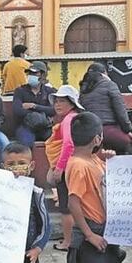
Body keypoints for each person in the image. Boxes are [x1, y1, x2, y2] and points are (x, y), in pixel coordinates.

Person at [66, 112, 132, 263]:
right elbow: (74, 202)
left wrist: (107, 158)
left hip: (109, 233)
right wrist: (88, 235)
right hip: (92, 235)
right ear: (97, 138)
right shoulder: (78, 166)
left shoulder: (94, 161)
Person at [46, 85, 84, 253]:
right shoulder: (73, 118)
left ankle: (67, 242)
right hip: (72, 166)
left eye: (62, 101)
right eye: (56, 101)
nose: (57, 105)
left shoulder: (69, 120)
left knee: (66, 208)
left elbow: (68, 145)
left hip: (67, 167)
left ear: (72, 103)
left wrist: (59, 168)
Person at [79, 62, 132, 154]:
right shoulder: (110, 84)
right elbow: (121, 111)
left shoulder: (83, 90)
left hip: (90, 133)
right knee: (131, 145)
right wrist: (128, 130)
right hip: (108, 130)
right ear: (104, 73)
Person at [11, 61, 57, 147]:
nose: (31, 75)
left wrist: (34, 106)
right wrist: (42, 114)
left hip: (45, 127)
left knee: (58, 142)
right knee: (26, 144)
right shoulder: (20, 91)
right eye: (30, 73)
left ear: (43, 75)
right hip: (26, 127)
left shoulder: (49, 91)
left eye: (35, 73)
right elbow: (17, 110)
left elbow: (54, 110)